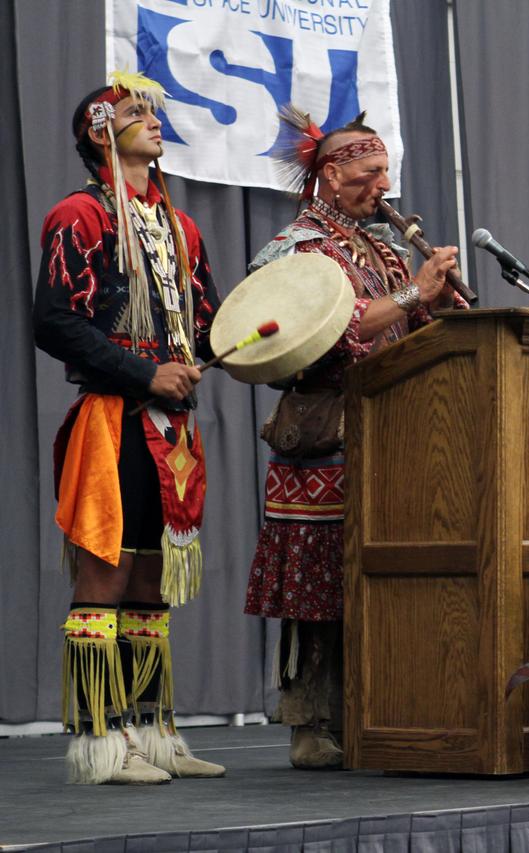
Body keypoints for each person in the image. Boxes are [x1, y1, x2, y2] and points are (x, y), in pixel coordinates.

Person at [243, 105, 468, 769]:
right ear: (331, 173)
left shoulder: (377, 246)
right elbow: (326, 333)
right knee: (318, 582)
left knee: (376, 574)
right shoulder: (302, 247)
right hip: (323, 434)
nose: (381, 186)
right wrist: (409, 294)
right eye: (368, 172)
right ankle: (310, 721)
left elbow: (396, 331)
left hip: (385, 434)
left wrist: (431, 305)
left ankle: (378, 708)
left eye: (385, 173)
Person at [32, 71, 226, 783]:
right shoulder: (77, 217)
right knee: (106, 575)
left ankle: (154, 734)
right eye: (135, 111)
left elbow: (202, 323)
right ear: (98, 130)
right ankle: (99, 744)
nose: (152, 119)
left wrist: (223, 351)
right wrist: (146, 373)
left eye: (152, 111)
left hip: (171, 431)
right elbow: (53, 320)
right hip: (113, 417)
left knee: (152, 582)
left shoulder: (181, 227)